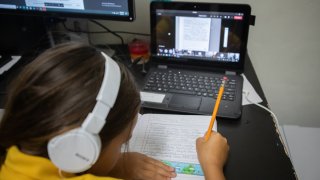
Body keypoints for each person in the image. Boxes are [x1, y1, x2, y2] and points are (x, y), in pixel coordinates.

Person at [0, 42, 229, 180]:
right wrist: (212, 166)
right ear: (84, 149)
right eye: (122, 143)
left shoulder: (12, 158)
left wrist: (118, 163)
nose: (122, 150)